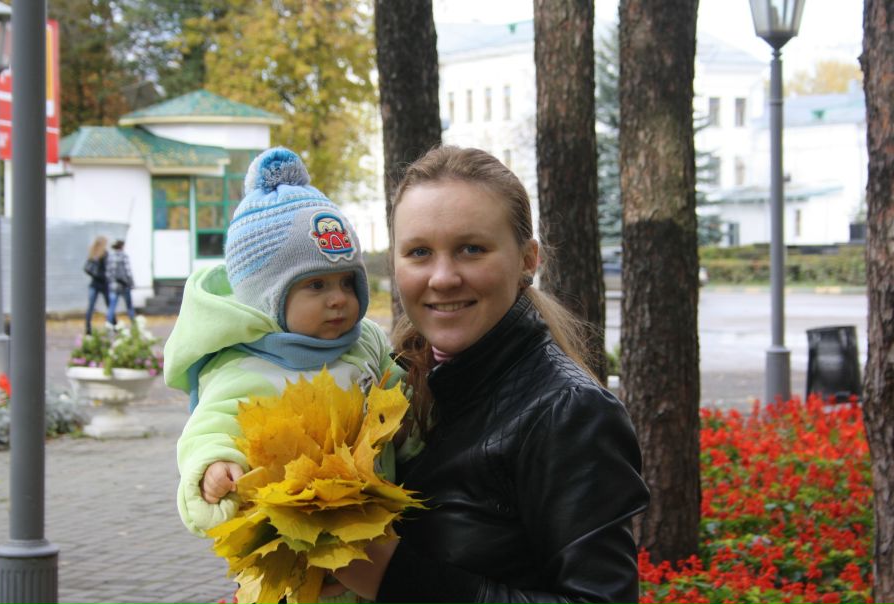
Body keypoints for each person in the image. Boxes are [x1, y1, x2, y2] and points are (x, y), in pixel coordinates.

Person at [327, 146, 650, 604]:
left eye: (471, 249)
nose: (442, 277)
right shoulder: (386, 383)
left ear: (528, 259)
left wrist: (394, 577)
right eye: (419, 252)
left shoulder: (569, 412)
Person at [164, 147, 418, 540]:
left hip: (377, 526)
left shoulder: (365, 340)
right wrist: (214, 467)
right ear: (268, 296)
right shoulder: (244, 366)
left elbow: (399, 394)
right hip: (295, 540)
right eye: (316, 285)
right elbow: (208, 429)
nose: (338, 299)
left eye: (346, 282)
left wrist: (413, 426)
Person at [83, 235, 110, 334]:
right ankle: (114, 325)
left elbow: (87, 268)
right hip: (102, 283)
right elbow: (107, 268)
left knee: (91, 306)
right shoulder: (103, 254)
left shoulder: (93, 254)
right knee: (109, 305)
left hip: (95, 283)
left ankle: (88, 327)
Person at [105, 239, 136, 325]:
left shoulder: (110, 257)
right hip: (124, 285)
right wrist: (131, 283)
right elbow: (128, 271)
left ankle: (108, 325)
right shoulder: (124, 256)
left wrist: (110, 282)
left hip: (113, 285)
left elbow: (108, 273)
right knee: (129, 306)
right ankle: (134, 325)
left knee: (112, 307)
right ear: (121, 246)